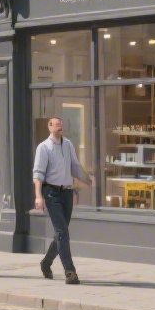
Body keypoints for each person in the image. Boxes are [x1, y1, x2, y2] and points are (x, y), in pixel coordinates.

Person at [33, 115, 93, 284]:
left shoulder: (67, 144)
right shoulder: (43, 147)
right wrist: (38, 197)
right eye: (57, 125)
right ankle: (70, 271)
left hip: (67, 192)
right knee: (62, 232)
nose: (60, 127)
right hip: (51, 192)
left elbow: (74, 166)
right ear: (50, 127)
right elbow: (38, 174)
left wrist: (87, 179)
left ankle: (46, 262)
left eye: (62, 124)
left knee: (62, 233)